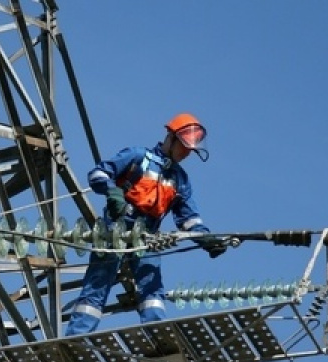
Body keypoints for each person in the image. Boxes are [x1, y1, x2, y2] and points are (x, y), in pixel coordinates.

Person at [65, 113, 225, 336]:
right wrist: (112, 192)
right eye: (183, 148)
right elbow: (98, 173)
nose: (185, 154)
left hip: (147, 237)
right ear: (171, 138)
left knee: (152, 288)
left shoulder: (180, 179)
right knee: (98, 285)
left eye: (189, 151)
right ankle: (76, 337)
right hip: (116, 229)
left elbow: (189, 220)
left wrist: (205, 239)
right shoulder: (139, 156)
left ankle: (159, 336)